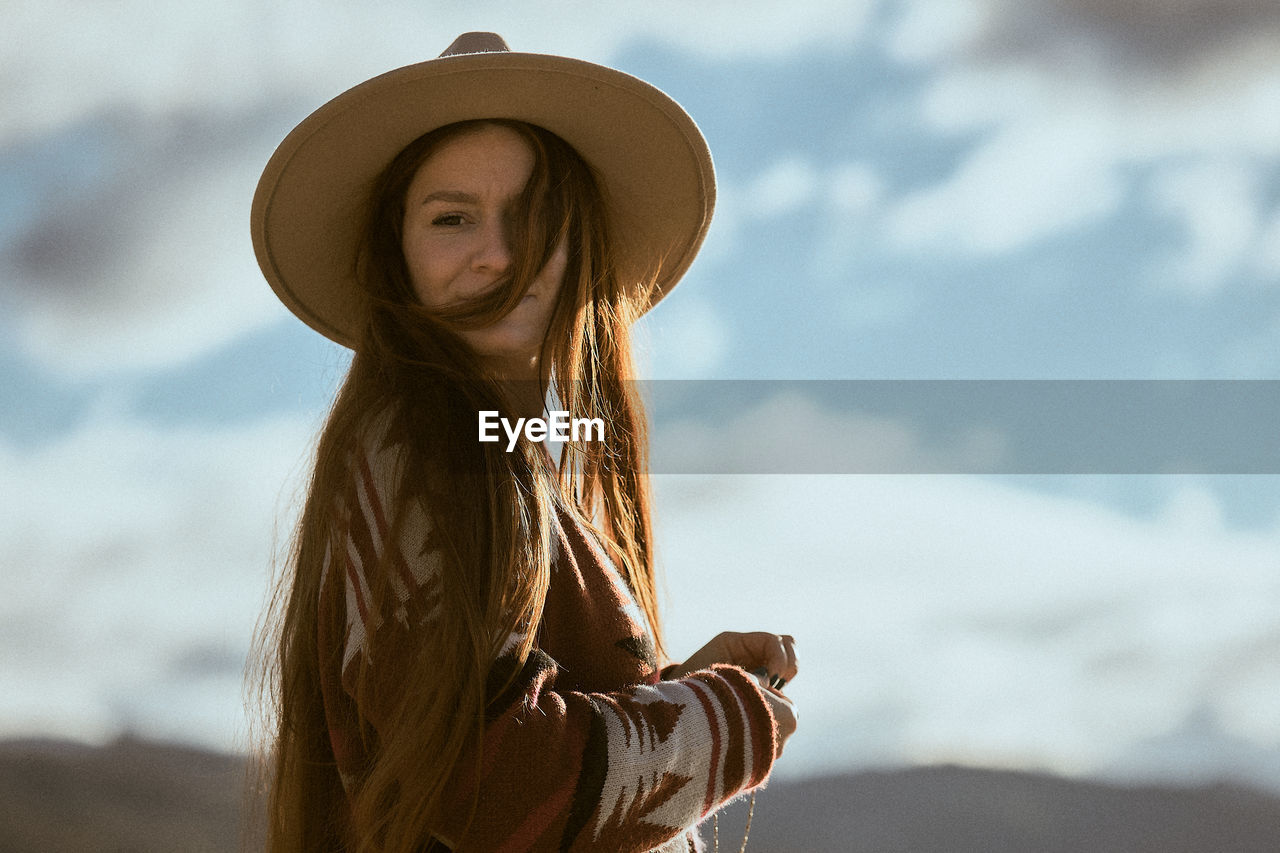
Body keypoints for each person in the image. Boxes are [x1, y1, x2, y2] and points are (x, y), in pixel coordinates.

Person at [251, 32, 798, 853]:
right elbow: (493, 784)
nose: (499, 256)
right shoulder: (427, 446)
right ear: (395, 257)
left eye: (536, 216)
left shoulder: (497, 455)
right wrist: (726, 719)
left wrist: (661, 689)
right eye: (451, 218)